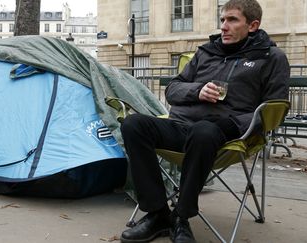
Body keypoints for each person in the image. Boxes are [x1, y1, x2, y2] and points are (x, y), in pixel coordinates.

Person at [119, 0, 290, 242]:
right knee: (133, 124)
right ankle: (158, 213)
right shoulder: (206, 52)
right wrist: (197, 91)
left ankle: (181, 216)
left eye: (232, 20)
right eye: (222, 20)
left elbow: (274, 108)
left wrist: (233, 125)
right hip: (181, 127)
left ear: (252, 25)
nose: (224, 26)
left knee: (204, 131)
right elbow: (173, 89)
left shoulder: (272, 58)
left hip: (225, 135)